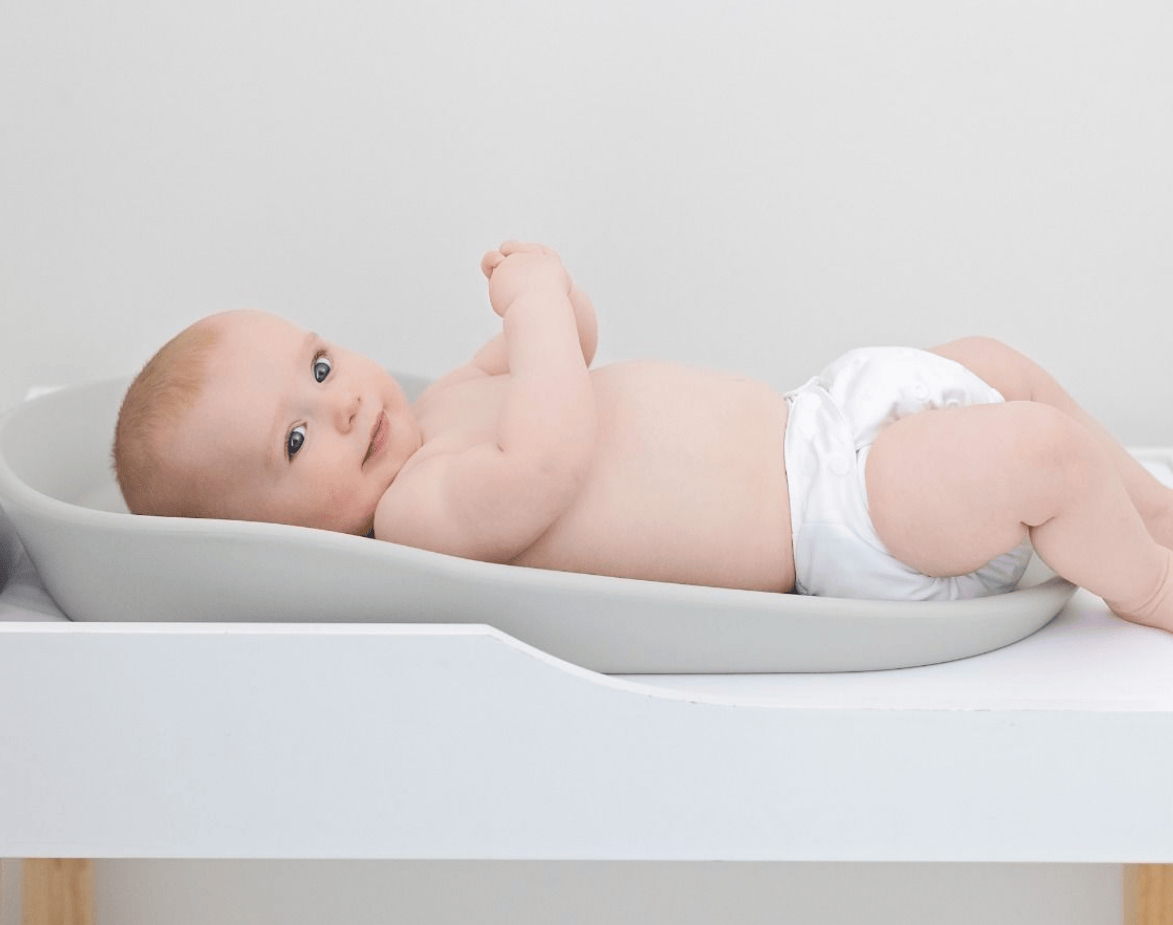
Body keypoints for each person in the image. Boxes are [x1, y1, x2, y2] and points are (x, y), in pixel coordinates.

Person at [112, 240, 1173, 633]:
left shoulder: (435, 418)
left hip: (818, 416)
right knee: (1040, 455)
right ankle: (1151, 591)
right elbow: (550, 457)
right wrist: (528, 311)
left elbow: (567, 352)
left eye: (321, 364)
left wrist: (553, 299)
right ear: (267, 532)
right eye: (295, 445)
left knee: (998, 364)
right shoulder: (417, 516)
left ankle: (1156, 514)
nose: (340, 405)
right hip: (838, 519)